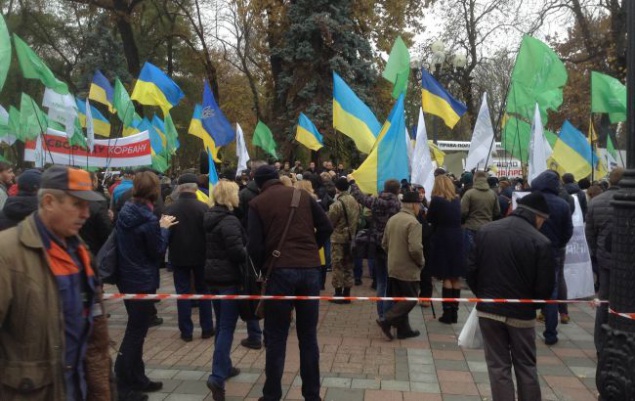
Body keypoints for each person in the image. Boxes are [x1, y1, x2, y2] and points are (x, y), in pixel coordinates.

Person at [0, 165, 111, 400]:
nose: (86, 213)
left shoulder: (81, 253)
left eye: (87, 205)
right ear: (49, 202)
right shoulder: (7, 254)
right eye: (77, 204)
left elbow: (94, 339)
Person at [248, 165, 332, 401]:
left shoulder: (257, 203)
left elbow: (253, 247)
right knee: (308, 337)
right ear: (277, 179)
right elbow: (326, 226)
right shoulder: (302, 195)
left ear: (257, 183)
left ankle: (272, 395)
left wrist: (264, 267)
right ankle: (312, 395)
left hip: (279, 274)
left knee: (276, 337)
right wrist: (310, 249)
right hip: (310, 271)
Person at [467, 192, 555, 401]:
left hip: (489, 310)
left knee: (498, 366)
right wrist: (531, 305)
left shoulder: (486, 231)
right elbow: (545, 287)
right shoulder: (540, 242)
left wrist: (483, 295)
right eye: (543, 221)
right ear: (538, 217)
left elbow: (470, 270)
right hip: (521, 315)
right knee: (526, 366)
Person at [114, 171, 178, 401]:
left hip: (127, 277)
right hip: (141, 279)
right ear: (154, 192)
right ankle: (121, 384)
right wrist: (163, 227)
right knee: (135, 332)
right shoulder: (148, 220)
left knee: (137, 329)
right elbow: (158, 251)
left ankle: (137, 377)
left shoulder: (127, 211)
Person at [204, 181, 246, 400]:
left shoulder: (210, 216)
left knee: (221, 324)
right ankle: (217, 376)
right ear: (231, 196)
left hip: (212, 277)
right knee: (227, 327)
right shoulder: (229, 220)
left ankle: (225, 366)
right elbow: (237, 252)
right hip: (228, 279)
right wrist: (249, 251)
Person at [165, 173, 214, 342]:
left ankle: (186, 331)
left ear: (179, 188)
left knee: (183, 294)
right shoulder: (204, 208)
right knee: (204, 293)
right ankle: (207, 328)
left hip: (178, 257)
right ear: (195, 189)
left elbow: (165, 236)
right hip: (202, 257)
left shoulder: (170, 209)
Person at [349, 177, 401, 321]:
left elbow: (360, 197)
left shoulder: (377, 201)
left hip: (377, 244)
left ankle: (381, 314)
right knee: (391, 282)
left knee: (381, 281)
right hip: (392, 245)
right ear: (397, 190)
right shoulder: (397, 204)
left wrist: (353, 183)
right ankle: (389, 314)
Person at [530, 170, 573, 345]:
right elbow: (568, 231)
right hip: (553, 251)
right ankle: (550, 333)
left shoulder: (533, 200)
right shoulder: (562, 204)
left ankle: (523, 328)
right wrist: (558, 244)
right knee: (552, 290)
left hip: (531, 249)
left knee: (526, 287)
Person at [586, 167, 625, 354]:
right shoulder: (629, 200)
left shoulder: (596, 202)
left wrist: (597, 252)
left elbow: (590, 233)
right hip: (627, 262)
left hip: (605, 259)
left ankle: (600, 344)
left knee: (604, 299)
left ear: (610, 180)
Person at [377, 191, 424, 340]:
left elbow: (384, 243)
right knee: (410, 298)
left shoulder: (393, 219)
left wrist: (394, 255)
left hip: (392, 265)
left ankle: (404, 330)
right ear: (414, 205)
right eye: (419, 205)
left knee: (400, 298)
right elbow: (415, 248)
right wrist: (421, 261)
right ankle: (387, 319)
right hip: (407, 268)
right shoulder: (413, 223)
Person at [236, 160, 267, 350]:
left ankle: (255, 334)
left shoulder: (245, 194)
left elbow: (239, 221)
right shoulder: (270, 193)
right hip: (270, 247)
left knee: (252, 290)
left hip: (251, 247)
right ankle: (279, 324)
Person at [427, 175, 465, 324]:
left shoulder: (436, 200)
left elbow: (430, 219)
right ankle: (455, 312)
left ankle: (447, 312)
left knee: (447, 276)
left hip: (443, 238)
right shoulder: (456, 200)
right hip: (457, 237)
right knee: (456, 276)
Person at [327, 177, 359, 304]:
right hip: (351, 238)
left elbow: (330, 222)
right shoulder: (354, 201)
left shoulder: (337, 204)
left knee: (337, 265)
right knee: (348, 265)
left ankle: (338, 293)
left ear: (337, 188)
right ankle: (347, 293)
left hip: (338, 239)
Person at [461, 171, 501, 259]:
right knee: (486, 256)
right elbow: (497, 212)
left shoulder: (469, 194)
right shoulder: (492, 194)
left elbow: (463, 212)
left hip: (471, 228)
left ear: (474, 179)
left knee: (471, 257)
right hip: (488, 228)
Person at [79, 172, 113, 255]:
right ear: (93, 182)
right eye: (96, 180)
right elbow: (106, 229)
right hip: (95, 249)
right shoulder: (99, 201)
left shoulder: (73, 198)